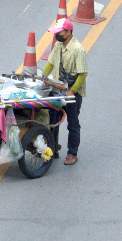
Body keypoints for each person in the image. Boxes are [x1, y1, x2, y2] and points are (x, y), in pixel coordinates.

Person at [45, 16, 87, 165]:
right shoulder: (58, 46)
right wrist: (43, 78)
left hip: (73, 93)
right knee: (53, 120)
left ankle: (72, 153)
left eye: (60, 32)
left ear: (68, 32)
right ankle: (53, 148)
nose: (57, 35)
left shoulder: (77, 49)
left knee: (72, 124)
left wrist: (72, 91)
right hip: (57, 89)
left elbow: (83, 73)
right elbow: (50, 63)